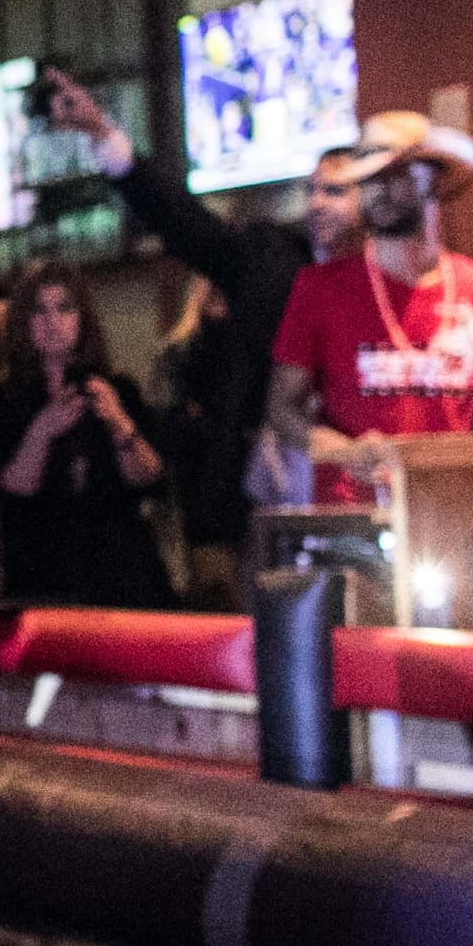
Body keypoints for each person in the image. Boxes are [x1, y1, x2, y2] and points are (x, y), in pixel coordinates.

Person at [43, 70, 357, 598]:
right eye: (313, 190)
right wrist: (100, 133)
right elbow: (181, 220)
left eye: (337, 191)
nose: (318, 203)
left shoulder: (392, 280)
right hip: (262, 497)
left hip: (362, 491)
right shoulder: (270, 258)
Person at [265, 112, 473, 507]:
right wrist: (346, 453)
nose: (378, 190)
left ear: (430, 178)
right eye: (367, 179)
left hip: (452, 515)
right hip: (353, 519)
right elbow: (282, 410)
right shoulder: (319, 290)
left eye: (393, 174)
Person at [0, 260, 174, 606]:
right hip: (45, 571)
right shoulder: (9, 399)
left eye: (64, 308)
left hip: (121, 569)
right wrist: (42, 431)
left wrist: (120, 422)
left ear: (82, 318)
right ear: (24, 323)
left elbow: (149, 478)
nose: (52, 321)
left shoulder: (117, 388)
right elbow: (14, 489)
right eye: (39, 311)